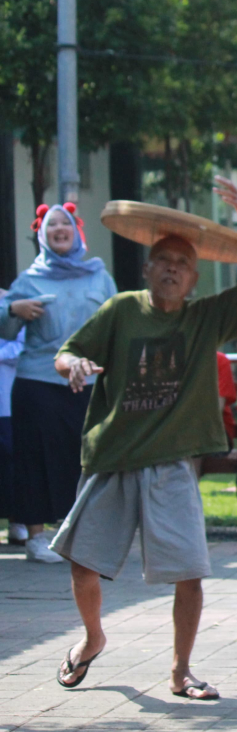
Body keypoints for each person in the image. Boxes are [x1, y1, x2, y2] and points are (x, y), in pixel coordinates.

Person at [49, 178, 237, 699]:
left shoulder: (204, 319)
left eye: (182, 263)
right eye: (163, 260)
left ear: (194, 278)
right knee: (83, 568)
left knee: (189, 573)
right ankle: (92, 639)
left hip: (171, 462)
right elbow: (65, 353)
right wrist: (73, 365)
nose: (171, 268)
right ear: (147, 269)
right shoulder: (122, 309)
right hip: (113, 457)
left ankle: (180, 671)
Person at [0, 204, 117, 563]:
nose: (59, 229)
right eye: (52, 225)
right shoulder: (28, 280)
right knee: (33, 458)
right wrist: (12, 310)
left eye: (65, 223)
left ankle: (83, 534)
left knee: (85, 459)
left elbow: (118, 325)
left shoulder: (99, 277)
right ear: (42, 234)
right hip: (37, 382)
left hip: (90, 382)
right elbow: (5, 332)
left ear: (77, 231)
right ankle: (36, 536)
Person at [0, 302, 23, 546]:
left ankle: (17, 522)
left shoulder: (14, 302)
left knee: (10, 461)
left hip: (6, 401)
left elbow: (25, 345)